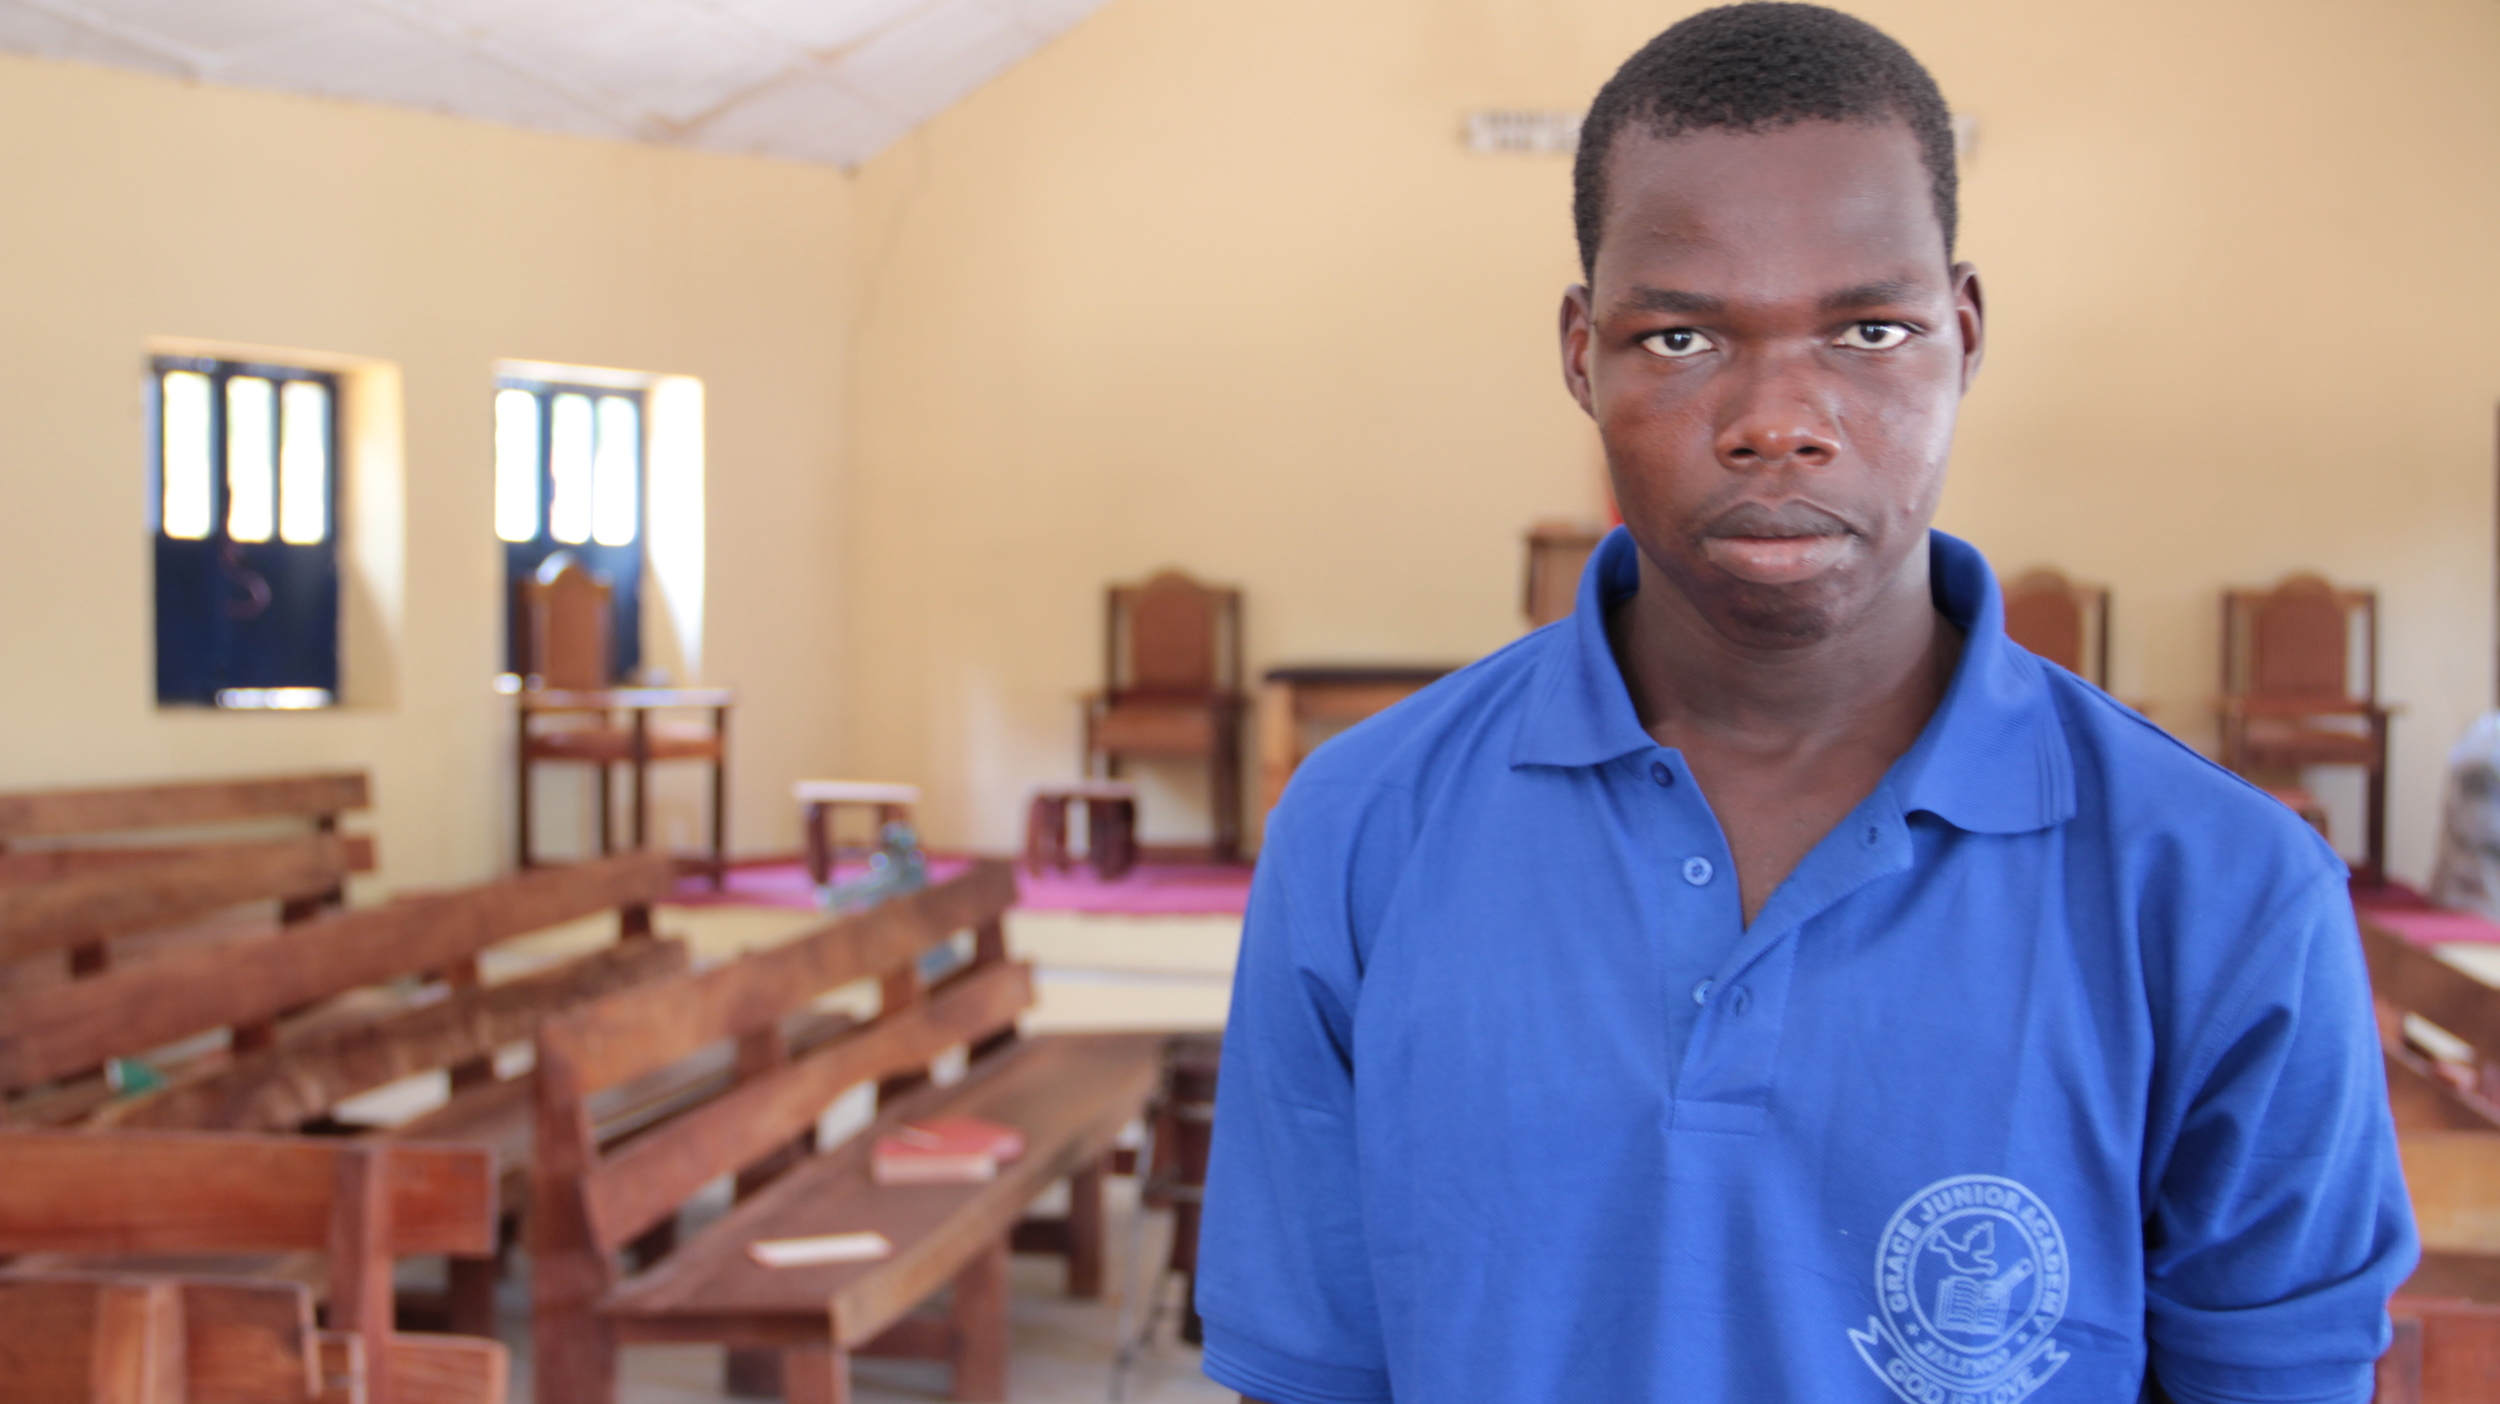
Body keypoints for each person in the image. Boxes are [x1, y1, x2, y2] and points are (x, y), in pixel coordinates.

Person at [1195, 6, 2417, 1402]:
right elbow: (1305, 1375)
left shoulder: (2222, 887)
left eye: (1869, 328)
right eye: (1679, 341)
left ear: (1961, 335)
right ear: (1582, 352)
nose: (1779, 417)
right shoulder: (1363, 832)